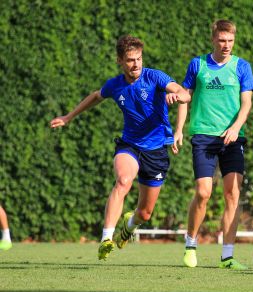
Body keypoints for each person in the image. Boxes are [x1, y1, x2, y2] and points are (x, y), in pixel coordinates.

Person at [50, 35, 190, 260]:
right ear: (119, 61)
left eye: (139, 59)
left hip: (156, 151)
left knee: (144, 213)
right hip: (130, 145)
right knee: (123, 181)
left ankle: (129, 226)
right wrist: (69, 117)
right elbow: (96, 96)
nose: (136, 64)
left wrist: (177, 96)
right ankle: (106, 238)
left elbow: (184, 93)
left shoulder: (154, 77)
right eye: (130, 60)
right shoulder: (115, 85)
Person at [173, 20, 253, 269]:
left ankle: (227, 257)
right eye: (222, 40)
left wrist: (235, 128)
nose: (226, 45)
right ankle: (190, 244)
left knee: (233, 194)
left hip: (232, 138)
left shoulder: (242, 66)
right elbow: (186, 96)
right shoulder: (197, 64)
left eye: (230, 40)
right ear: (213, 40)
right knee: (203, 192)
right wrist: (178, 128)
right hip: (203, 136)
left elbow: (246, 104)